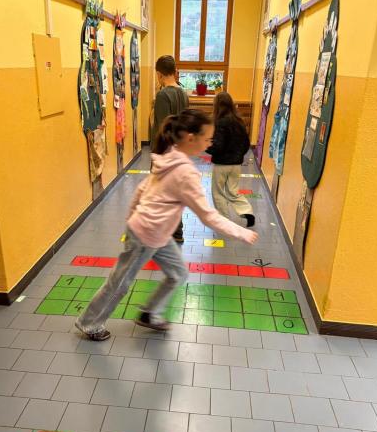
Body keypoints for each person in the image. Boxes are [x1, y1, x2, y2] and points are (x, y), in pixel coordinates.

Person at [75, 109, 258, 341]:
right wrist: (240, 232)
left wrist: (132, 216)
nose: (209, 143)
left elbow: (144, 187)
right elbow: (207, 216)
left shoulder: (170, 155)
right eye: (207, 138)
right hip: (146, 234)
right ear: (190, 138)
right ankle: (89, 323)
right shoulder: (185, 173)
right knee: (120, 282)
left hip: (159, 234)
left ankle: (150, 313)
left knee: (178, 273)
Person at [152, 55, 189, 243]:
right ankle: (177, 231)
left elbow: (163, 128)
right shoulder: (183, 93)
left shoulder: (162, 95)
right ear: (175, 71)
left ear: (159, 74)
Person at [206, 92, 255, 227]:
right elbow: (246, 144)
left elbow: (218, 146)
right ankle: (248, 212)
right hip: (236, 164)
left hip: (222, 164)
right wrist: (238, 156)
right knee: (233, 191)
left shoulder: (219, 122)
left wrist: (206, 147)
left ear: (217, 105)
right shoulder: (239, 121)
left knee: (217, 193)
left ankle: (224, 220)